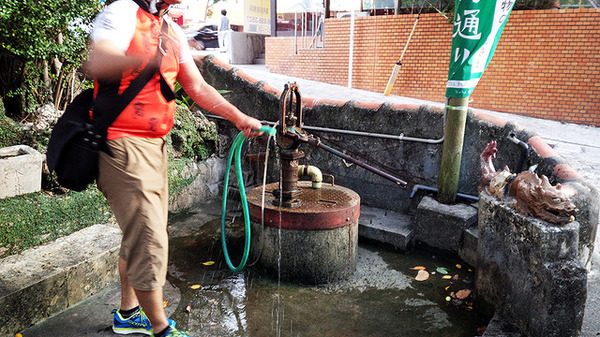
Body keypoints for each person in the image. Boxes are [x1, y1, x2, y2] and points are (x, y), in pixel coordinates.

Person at [86, 0, 262, 336]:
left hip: (154, 147)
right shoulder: (123, 13)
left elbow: (196, 87)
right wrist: (148, 57)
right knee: (149, 239)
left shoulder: (169, 29)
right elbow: (99, 61)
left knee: (139, 233)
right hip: (122, 143)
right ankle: (161, 329)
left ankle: (127, 314)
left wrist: (239, 118)